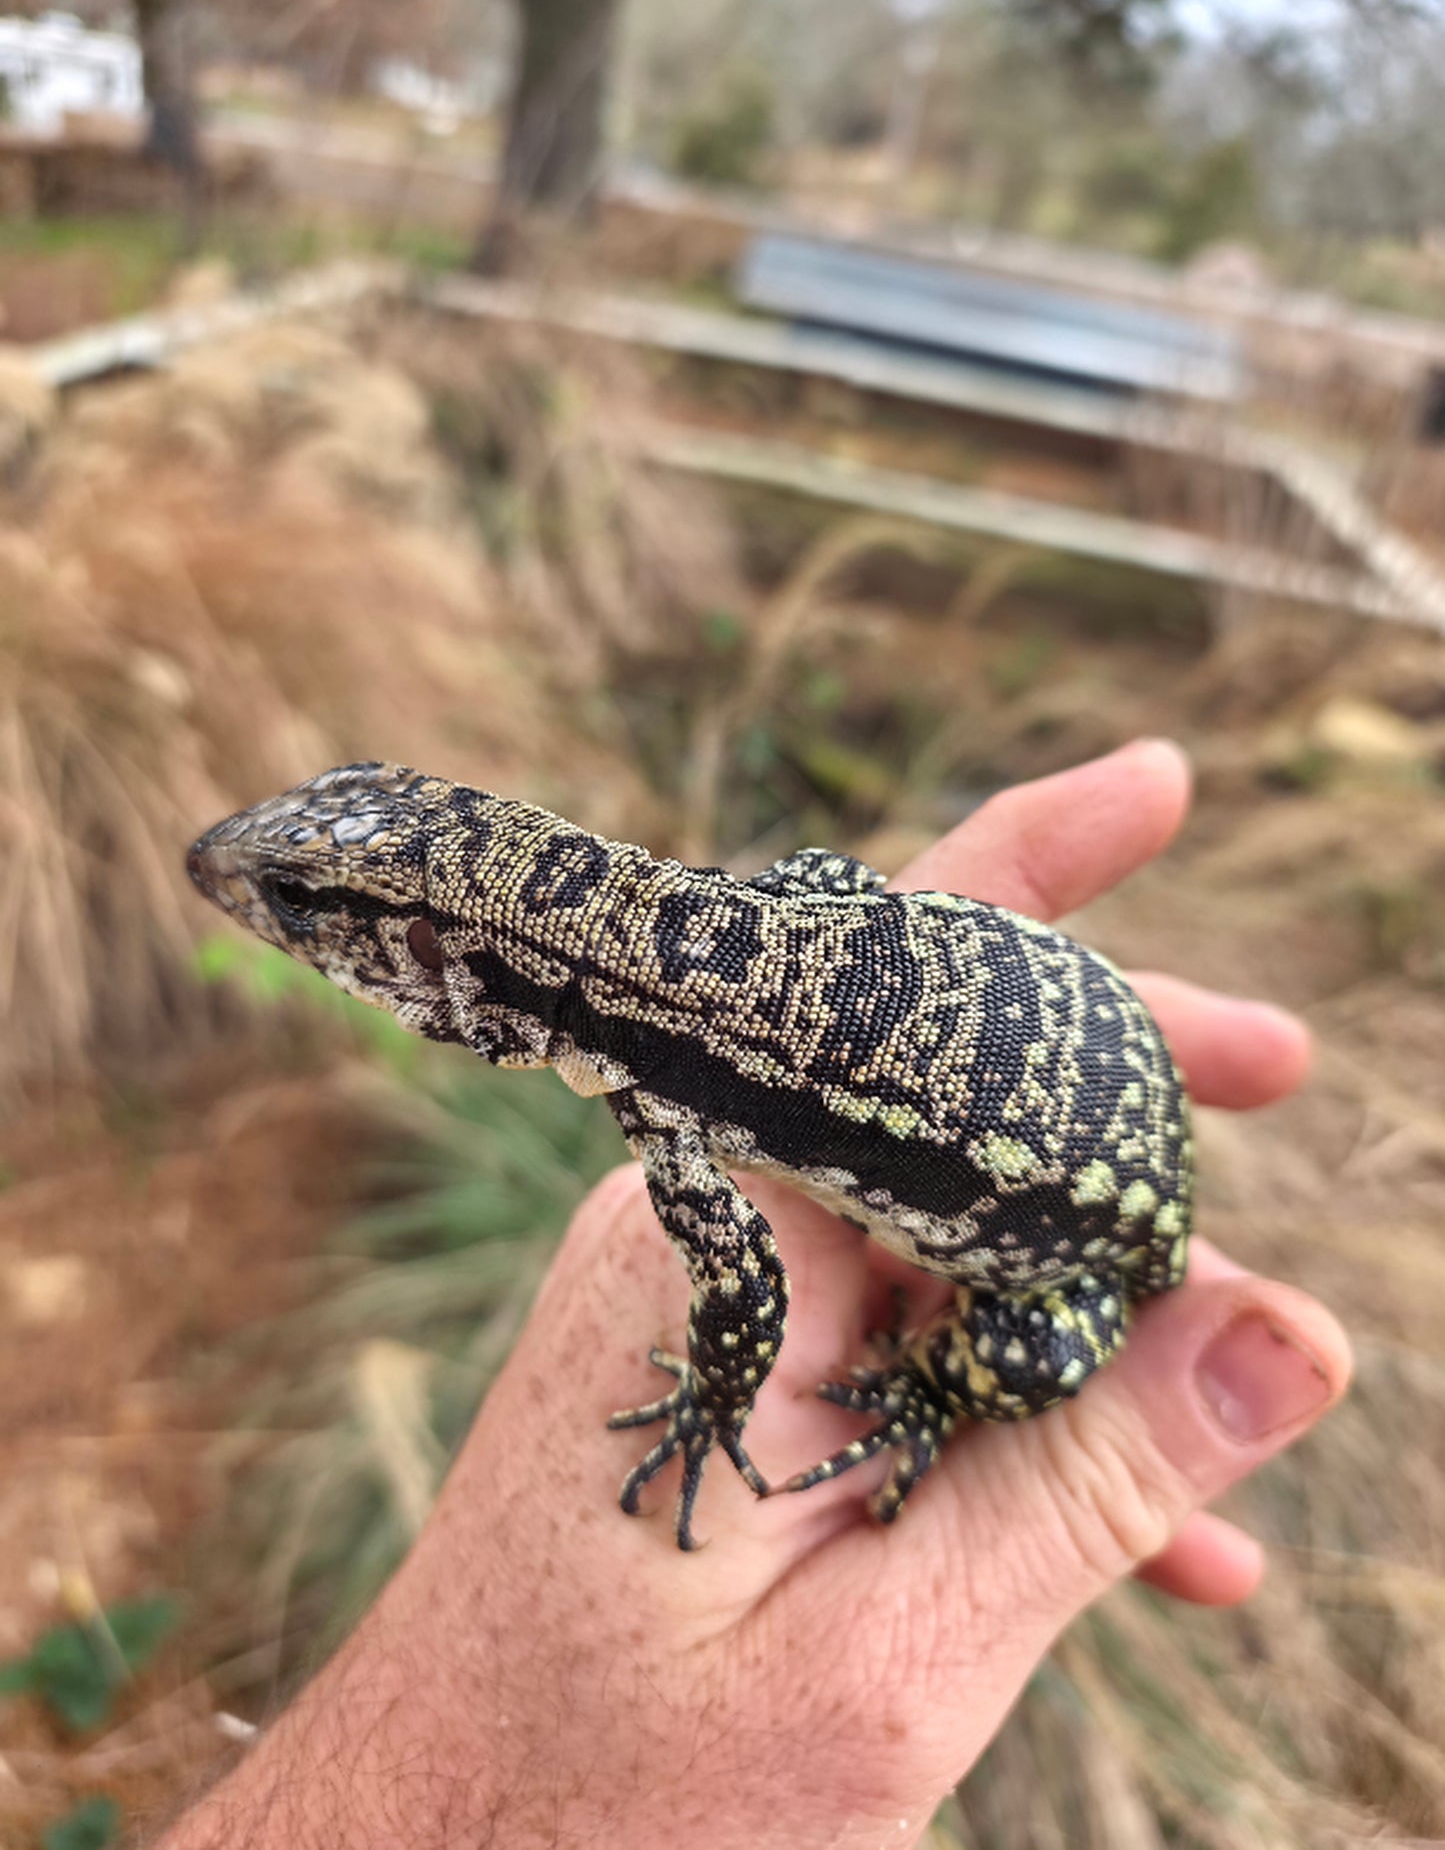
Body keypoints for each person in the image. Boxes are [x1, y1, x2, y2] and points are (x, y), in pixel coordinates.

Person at [159, 741, 1350, 1849]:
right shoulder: (750, 910)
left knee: (1023, 1360)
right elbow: (833, 882)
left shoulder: (674, 1103)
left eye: (307, 906)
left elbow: (746, 1301)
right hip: (1104, 1076)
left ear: (432, 954)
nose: (240, 884)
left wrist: (714, 1405)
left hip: (1077, 1255)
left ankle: (931, 1390)